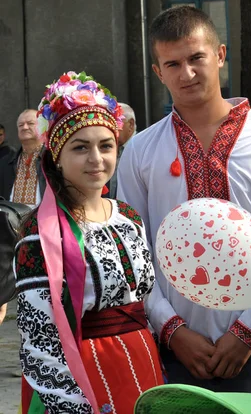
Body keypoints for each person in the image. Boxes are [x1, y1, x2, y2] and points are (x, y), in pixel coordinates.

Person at [118, 6, 251, 392]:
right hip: (175, 349)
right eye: (172, 64)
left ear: (220, 55)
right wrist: (171, 330)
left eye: (196, 58)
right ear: (158, 72)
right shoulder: (141, 150)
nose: (186, 73)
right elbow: (134, 253)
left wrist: (247, 332)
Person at [15, 71, 163, 413]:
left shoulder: (128, 216)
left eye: (106, 145)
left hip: (144, 365)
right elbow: (39, 340)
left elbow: (145, 300)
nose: (96, 159)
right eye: (81, 147)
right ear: (56, 156)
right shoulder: (40, 233)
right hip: (84, 377)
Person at [0, 109, 45, 204]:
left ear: (43, 126)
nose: (24, 127)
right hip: (11, 217)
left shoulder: (53, 159)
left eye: (30, 123)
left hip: (46, 217)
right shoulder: (6, 162)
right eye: (20, 125)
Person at [104, 102, 136, 199]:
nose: (109, 128)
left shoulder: (142, 148)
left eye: (115, 123)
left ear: (130, 124)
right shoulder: (107, 147)